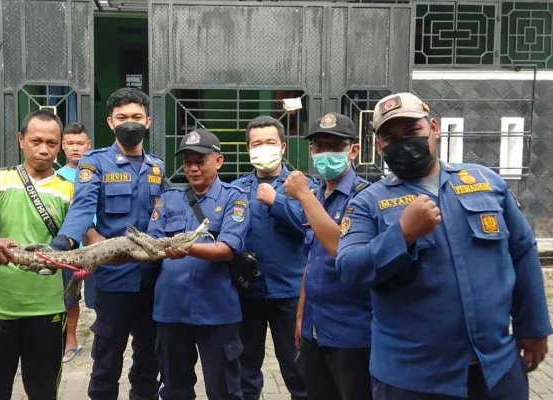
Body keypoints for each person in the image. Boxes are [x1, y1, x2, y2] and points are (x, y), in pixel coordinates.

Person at [336, 92, 552, 399]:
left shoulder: (485, 181)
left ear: (434, 129)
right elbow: (349, 268)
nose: (404, 143)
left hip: (497, 369)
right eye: (391, 137)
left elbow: (522, 251)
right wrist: (402, 234)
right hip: (411, 378)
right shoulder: (367, 203)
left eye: (412, 132)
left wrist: (532, 325)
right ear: (380, 146)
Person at [50, 87, 166, 400]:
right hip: (113, 278)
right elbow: (83, 208)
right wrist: (67, 241)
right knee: (106, 360)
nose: (130, 123)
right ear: (110, 122)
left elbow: (166, 213)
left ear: (148, 121)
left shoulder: (157, 166)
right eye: (123, 117)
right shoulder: (95, 162)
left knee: (148, 358)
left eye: (136, 117)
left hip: (151, 280)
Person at [0, 110, 73, 399]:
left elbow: (83, 237)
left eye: (52, 143)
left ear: (60, 145)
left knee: (43, 391)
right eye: (36, 140)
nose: (44, 149)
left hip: (48, 308)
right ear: (20, 140)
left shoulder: (69, 190)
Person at [149, 128, 250, 399]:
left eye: (200, 161)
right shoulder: (169, 199)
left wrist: (186, 248)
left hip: (216, 310)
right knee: (174, 389)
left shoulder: (234, 197)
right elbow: (152, 242)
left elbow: (228, 248)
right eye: (187, 162)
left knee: (224, 390)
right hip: (171, 309)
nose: (192, 168)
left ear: (218, 161)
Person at [283, 112, 372, 400]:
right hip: (314, 328)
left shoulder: (365, 198)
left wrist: (304, 197)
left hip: (352, 333)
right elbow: (312, 261)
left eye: (335, 146)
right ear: (311, 150)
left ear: (354, 150)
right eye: (320, 146)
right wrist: (300, 316)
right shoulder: (317, 194)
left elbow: (341, 249)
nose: (325, 153)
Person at [230, 116, 311, 400]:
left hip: (288, 294)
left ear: (283, 147)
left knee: (298, 371)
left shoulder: (303, 186)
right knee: (245, 372)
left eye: (270, 142)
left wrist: (277, 201)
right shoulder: (237, 189)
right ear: (248, 149)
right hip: (248, 294)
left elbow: (309, 225)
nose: (263, 148)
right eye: (256, 143)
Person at [57, 121, 98, 363]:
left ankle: (103, 337)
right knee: (69, 298)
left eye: (80, 143)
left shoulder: (97, 172)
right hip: (69, 251)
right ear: (63, 146)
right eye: (70, 143)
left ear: (88, 145)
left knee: (99, 299)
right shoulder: (57, 178)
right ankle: (69, 340)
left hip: (96, 249)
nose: (75, 148)